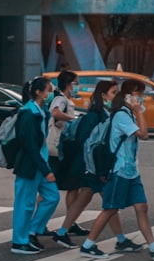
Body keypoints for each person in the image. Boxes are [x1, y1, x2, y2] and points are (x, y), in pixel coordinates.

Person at [78, 79, 154, 260]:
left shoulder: (127, 114)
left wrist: (137, 111)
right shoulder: (121, 116)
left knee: (142, 207)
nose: (141, 97)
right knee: (110, 208)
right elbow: (144, 134)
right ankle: (88, 245)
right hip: (120, 170)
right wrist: (139, 111)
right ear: (127, 96)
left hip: (131, 171)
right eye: (138, 94)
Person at [52, 80, 136, 250]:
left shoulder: (105, 113)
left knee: (87, 199)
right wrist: (96, 166)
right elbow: (87, 142)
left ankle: (62, 232)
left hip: (93, 167)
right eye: (113, 92)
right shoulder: (95, 115)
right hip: (93, 167)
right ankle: (119, 240)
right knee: (109, 203)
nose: (116, 95)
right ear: (103, 96)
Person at [10, 76, 59, 255]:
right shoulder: (29, 113)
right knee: (25, 204)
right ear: (39, 92)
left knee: (52, 197)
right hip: (30, 166)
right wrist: (46, 170)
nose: (51, 93)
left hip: (40, 164)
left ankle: (31, 231)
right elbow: (30, 146)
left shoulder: (39, 111)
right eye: (48, 90)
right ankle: (19, 241)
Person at [45, 70, 80, 232]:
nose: (77, 87)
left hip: (65, 149)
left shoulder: (66, 99)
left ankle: (71, 222)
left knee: (73, 186)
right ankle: (38, 223)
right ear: (68, 83)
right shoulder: (60, 99)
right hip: (57, 150)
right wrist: (74, 119)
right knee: (49, 186)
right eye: (76, 83)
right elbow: (55, 113)